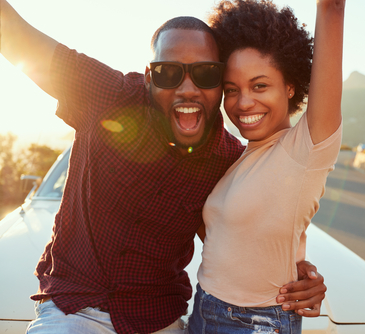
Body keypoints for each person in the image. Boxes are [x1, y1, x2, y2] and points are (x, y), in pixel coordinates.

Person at [0, 1, 327, 333]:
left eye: (205, 73)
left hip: (158, 316)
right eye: (168, 73)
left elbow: (239, 236)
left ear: (220, 82)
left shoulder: (228, 161)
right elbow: (13, 33)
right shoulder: (108, 97)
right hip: (74, 310)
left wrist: (300, 273)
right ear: (148, 78)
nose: (187, 89)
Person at [187, 0, 344, 333]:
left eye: (260, 86)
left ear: (290, 86)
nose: (243, 103)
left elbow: (332, 10)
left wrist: (329, 9)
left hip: (254, 324)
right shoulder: (238, 158)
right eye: (232, 90)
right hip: (203, 310)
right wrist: (297, 265)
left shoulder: (306, 149)